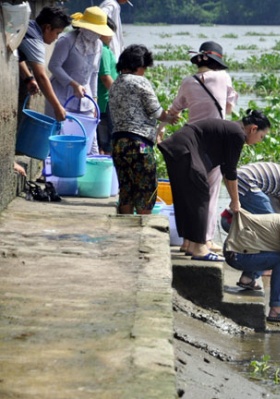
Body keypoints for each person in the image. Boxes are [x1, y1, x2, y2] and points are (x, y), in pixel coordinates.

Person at [157, 110, 271, 262]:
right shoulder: (238, 134)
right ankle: (199, 248)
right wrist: (235, 201)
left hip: (177, 148)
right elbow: (230, 171)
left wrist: (234, 198)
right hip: (185, 149)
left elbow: (225, 168)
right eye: (261, 137)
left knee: (187, 196)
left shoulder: (233, 130)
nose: (259, 141)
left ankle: (189, 244)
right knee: (201, 196)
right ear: (253, 129)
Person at [166, 40, 238, 254]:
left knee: (190, 193)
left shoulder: (188, 82)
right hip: (214, 141)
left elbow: (175, 110)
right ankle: (205, 240)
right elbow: (229, 108)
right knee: (211, 192)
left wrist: (161, 128)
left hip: (190, 140)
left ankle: (187, 241)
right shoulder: (224, 78)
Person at [109, 44, 178, 215]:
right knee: (145, 189)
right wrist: (169, 117)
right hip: (139, 144)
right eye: (144, 67)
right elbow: (156, 112)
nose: (145, 71)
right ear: (138, 66)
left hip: (118, 144)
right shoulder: (140, 82)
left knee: (126, 189)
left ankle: (124, 228)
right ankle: (141, 230)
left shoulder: (115, 84)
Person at [46, 6, 113, 155]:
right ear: (84, 27)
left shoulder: (99, 45)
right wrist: (72, 83)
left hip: (86, 98)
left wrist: (94, 100)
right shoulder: (67, 40)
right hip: (62, 96)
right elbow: (54, 66)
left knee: (90, 139)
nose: (96, 34)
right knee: (60, 136)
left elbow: (94, 73)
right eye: (94, 30)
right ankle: (54, 174)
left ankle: (88, 172)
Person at [17, 6, 71, 122]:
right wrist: (57, 107)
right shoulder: (35, 41)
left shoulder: (29, 25)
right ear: (47, 27)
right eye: (57, 33)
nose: (57, 38)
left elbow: (17, 55)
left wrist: (28, 78)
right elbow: (41, 77)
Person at [96, 17, 118, 154]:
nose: (111, 36)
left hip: (106, 100)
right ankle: (106, 168)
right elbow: (105, 77)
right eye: (109, 32)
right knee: (106, 140)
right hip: (105, 102)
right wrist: (119, 96)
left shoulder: (104, 49)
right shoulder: (103, 50)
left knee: (105, 139)